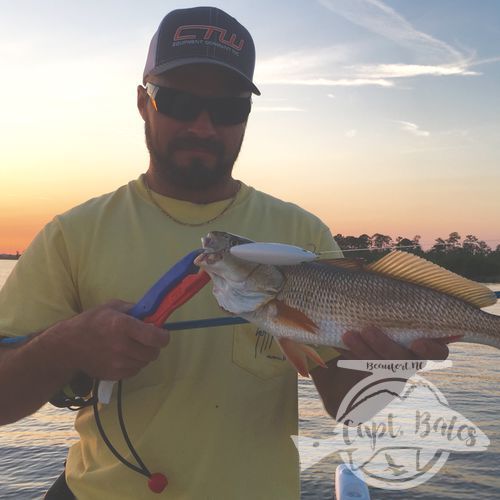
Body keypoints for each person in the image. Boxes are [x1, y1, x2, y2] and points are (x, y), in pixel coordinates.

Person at [0, 7, 450, 499]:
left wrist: (392, 365)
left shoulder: (300, 233)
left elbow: (351, 407)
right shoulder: (73, 234)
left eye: (229, 108)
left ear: (248, 116)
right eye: (177, 100)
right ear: (142, 102)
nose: (203, 126)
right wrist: (63, 346)